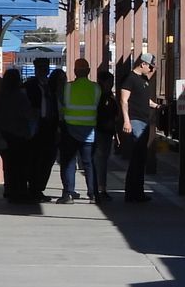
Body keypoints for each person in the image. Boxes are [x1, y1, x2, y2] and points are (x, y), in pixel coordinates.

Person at [56, 59, 99, 203]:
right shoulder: (96, 88)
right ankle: (93, 194)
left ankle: (68, 194)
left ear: (74, 71)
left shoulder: (67, 88)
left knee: (69, 162)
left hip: (70, 129)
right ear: (88, 71)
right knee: (88, 163)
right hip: (89, 130)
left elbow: (61, 106)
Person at [0, 65, 39, 201]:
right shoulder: (20, 96)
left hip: (5, 133)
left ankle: (10, 190)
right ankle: (21, 192)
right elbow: (27, 113)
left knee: (9, 165)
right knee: (21, 165)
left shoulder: (1, 97)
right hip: (20, 134)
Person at [117, 54, 156, 203]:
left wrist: (156, 105)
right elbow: (124, 100)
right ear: (143, 64)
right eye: (150, 66)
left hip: (144, 120)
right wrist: (127, 121)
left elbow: (145, 99)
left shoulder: (144, 79)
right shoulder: (130, 79)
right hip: (135, 120)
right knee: (137, 157)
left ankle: (138, 191)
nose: (151, 69)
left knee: (140, 157)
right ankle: (132, 192)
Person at [24, 57, 58, 200]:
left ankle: (39, 187)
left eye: (46, 68)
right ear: (36, 69)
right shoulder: (30, 85)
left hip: (50, 125)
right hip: (36, 125)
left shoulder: (52, 86)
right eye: (41, 68)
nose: (44, 71)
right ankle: (34, 188)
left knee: (48, 159)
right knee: (35, 158)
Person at [91, 67, 119, 202]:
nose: (111, 84)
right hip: (100, 130)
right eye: (110, 81)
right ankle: (99, 189)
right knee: (100, 160)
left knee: (102, 160)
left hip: (107, 131)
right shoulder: (101, 96)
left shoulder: (109, 96)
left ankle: (100, 188)